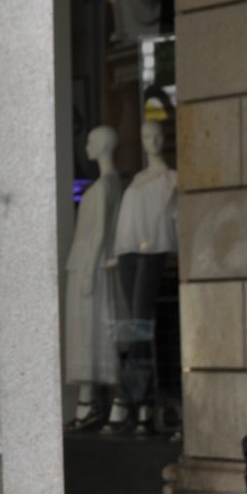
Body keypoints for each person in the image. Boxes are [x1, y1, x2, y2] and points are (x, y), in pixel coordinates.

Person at [106, 118, 176, 434]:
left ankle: (126, 398)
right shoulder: (137, 179)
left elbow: (172, 220)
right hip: (127, 254)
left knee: (140, 325)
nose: (153, 141)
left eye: (158, 136)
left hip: (154, 253)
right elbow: (128, 222)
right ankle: (145, 404)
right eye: (147, 136)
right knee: (137, 326)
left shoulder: (172, 178)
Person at [62, 125, 124, 430]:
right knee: (88, 332)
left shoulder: (103, 188)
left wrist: (89, 269)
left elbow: (100, 230)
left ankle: (90, 404)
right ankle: (91, 402)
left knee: (89, 332)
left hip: (92, 265)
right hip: (91, 263)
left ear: (101, 144)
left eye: (89, 141)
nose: (85, 146)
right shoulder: (109, 185)